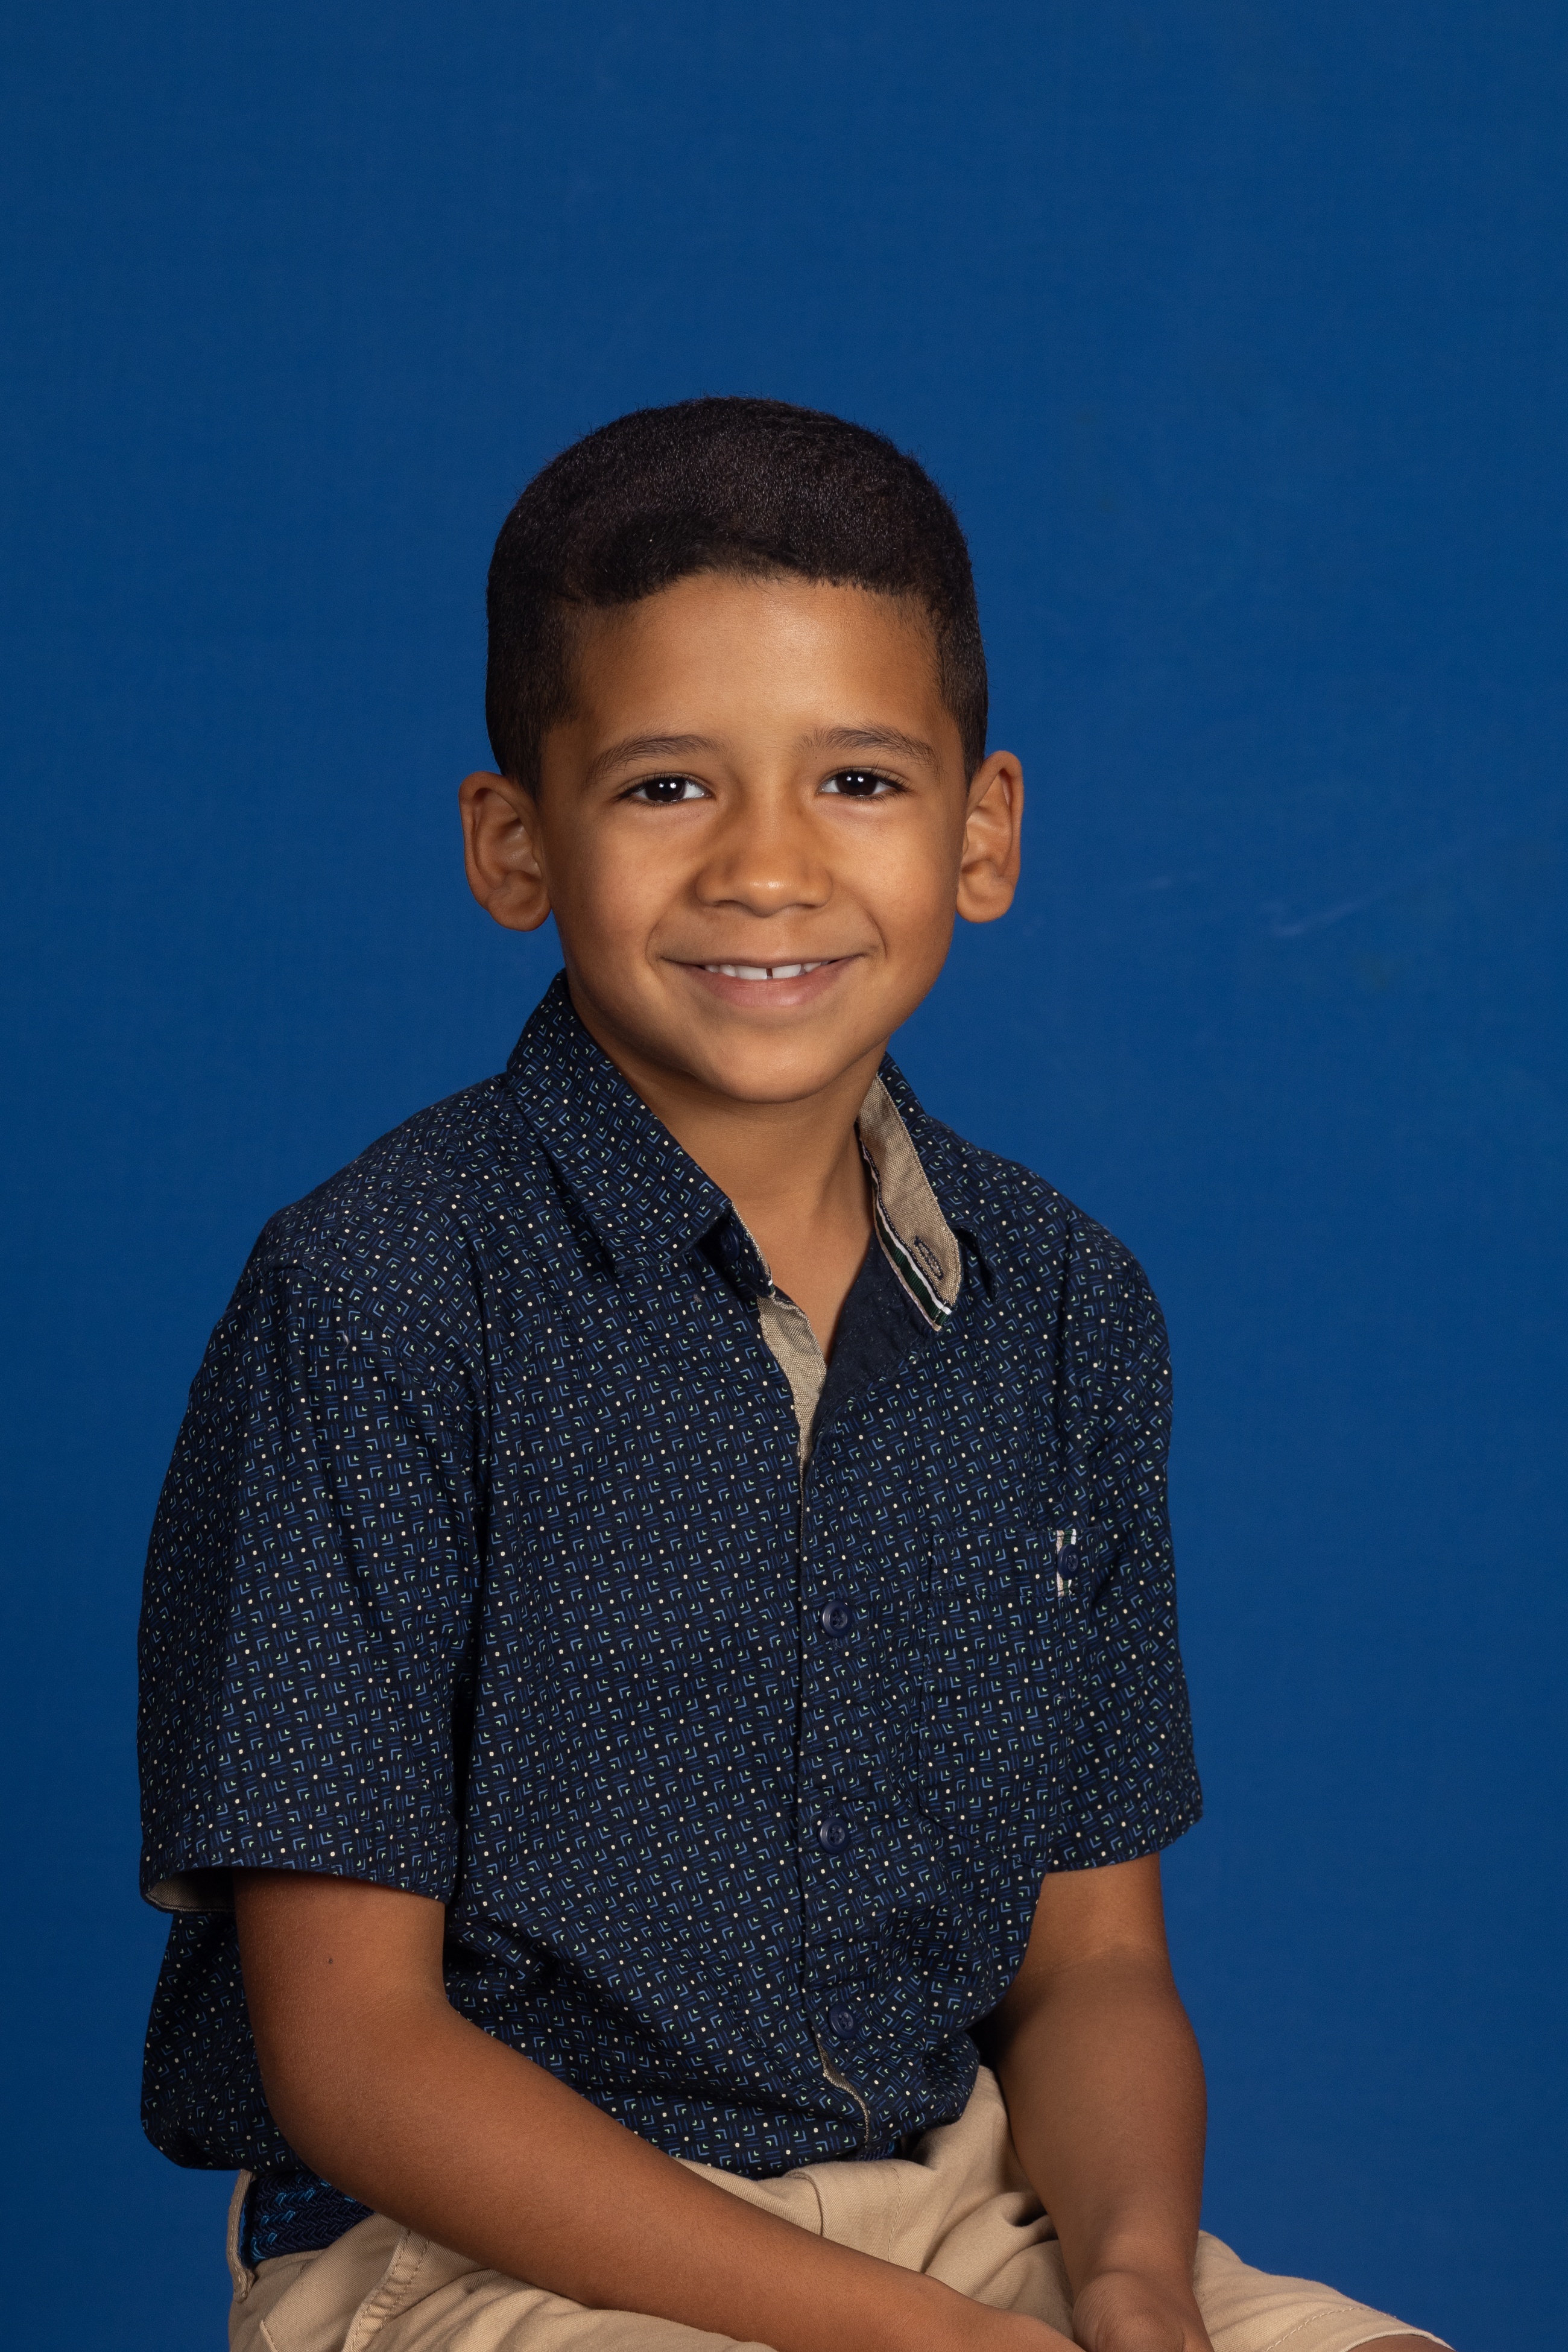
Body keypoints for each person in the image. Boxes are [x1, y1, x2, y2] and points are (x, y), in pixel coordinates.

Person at [138, 397, 1445, 2352]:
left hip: (953, 2207)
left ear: (982, 831)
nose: (767, 866)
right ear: (515, 840)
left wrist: (1128, 2279)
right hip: (476, 2241)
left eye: (856, 778)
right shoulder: (377, 1298)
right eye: (669, 785)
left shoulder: (1067, 1308)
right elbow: (356, 2054)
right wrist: (923, 2342)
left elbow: (1090, 1969)